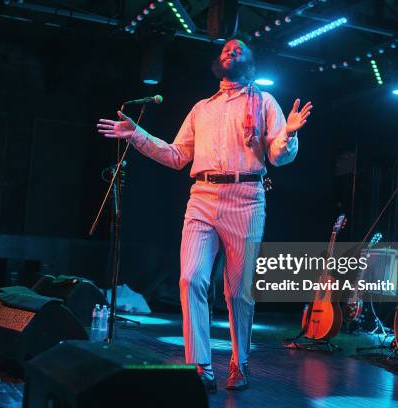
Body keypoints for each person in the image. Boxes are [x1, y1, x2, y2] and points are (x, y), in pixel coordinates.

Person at [97, 38, 312, 392]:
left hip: (246, 197)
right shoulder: (202, 109)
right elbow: (177, 155)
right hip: (202, 197)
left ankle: (239, 363)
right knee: (191, 278)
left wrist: (288, 133)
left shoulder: (264, 101)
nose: (232, 51)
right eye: (226, 49)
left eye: (239, 49)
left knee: (238, 292)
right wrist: (137, 135)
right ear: (218, 61)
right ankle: (199, 365)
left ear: (250, 61)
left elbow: (278, 157)